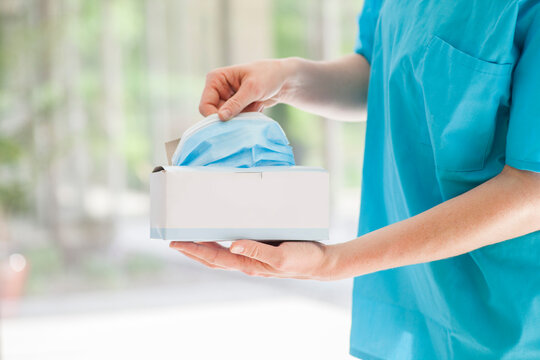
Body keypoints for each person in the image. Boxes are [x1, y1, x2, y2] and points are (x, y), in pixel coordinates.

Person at [170, 0, 540, 358]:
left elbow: (532, 189)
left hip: (509, 321)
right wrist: (286, 78)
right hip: (409, 300)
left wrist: (333, 262)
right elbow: (379, 70)